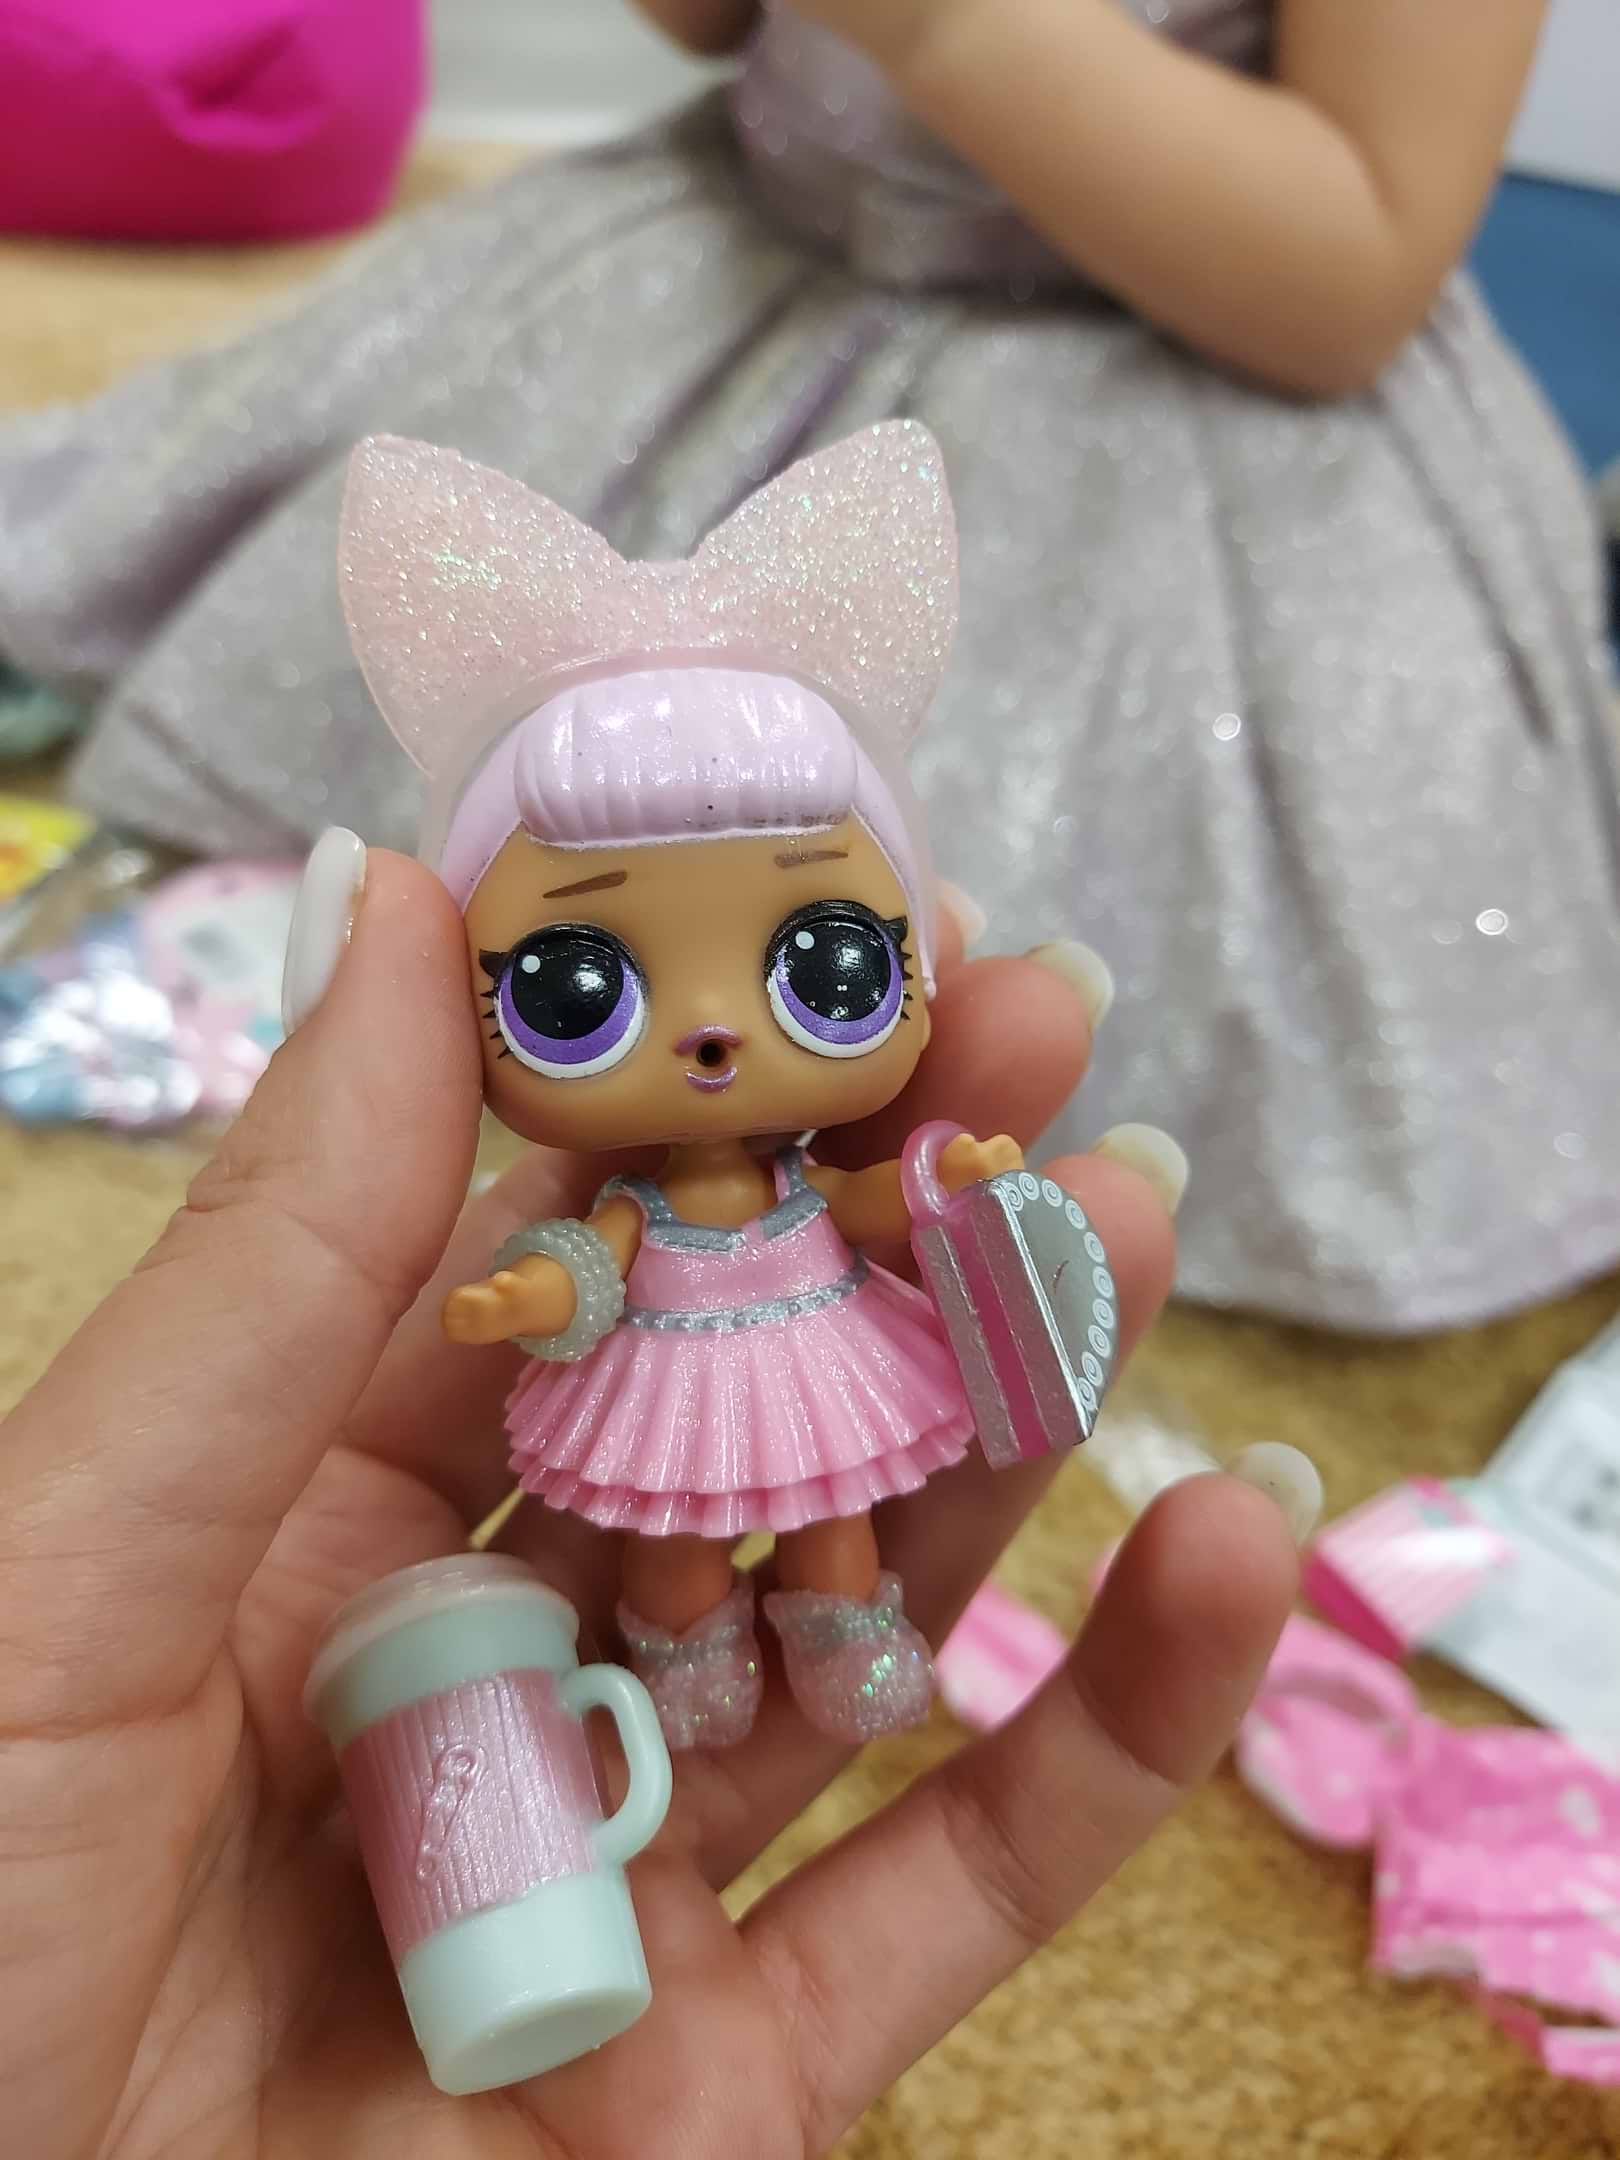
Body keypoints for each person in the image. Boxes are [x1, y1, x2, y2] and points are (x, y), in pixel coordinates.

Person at [1, 0, 1613, 1334]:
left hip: (1181, 398)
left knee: (946, 957)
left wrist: (944, 27)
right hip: (763, 238)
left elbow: (1350, 279)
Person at [0, 841, 1303, 2156]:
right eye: (576, 989)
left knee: (836, 1521)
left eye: (824, 967)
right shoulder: (634, 1199)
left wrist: (934, 1189)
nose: (714, 1031)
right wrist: (531, 1291)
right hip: (668, 1395)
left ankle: (843, 1629)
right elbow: (590, 1260)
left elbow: (858, 1199)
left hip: (817, 1363)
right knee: (669, 1544)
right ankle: (689, 1656)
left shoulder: (796, 1180)